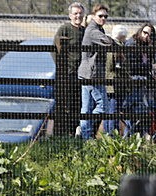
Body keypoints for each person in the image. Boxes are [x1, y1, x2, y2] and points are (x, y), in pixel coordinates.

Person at [77, 4, 115, 140]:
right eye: (100, 16)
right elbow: (108, 42)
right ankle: (84, 129)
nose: (103, 18)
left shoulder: (99, 29)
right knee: (103, 106)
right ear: (93, 16)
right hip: (91, 75)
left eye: (105, 16)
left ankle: (85, 137)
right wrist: (119, 45)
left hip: (87, 74)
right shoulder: (93, 30)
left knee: (86, 108)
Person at [53, 2, 86, 136]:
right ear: (70, 15)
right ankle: (63, 135)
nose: (78, 16)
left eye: (80, 13)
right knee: (66, 105)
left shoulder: (85, 31)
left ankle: (78, 132)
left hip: (83, 74)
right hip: (68, 74)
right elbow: (55, 50)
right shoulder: (64, 29)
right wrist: (63, 69)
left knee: (79, 104)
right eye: (75, 13)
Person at [124, 23, 156, 137]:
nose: (146, 36)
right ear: (140, 31)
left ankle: (141, 137)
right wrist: (151, 67)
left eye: (150, 35)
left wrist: (152, 74)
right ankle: (129, 138)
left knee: (144, 110)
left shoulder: (146, 47)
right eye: (145, 33)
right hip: (132, 83)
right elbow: (132, 66)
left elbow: (145, 66)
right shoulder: (132, 44)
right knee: (133, 110)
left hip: (143, 83)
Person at [104, 25, 129, 136]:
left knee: (113, 110)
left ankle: (111, 134)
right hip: (114, 84)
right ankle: (111, 135)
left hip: (116, 83)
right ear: (122, 36)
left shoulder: (118, 45)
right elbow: (111, 66)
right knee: (113, 111)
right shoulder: (115, 46)